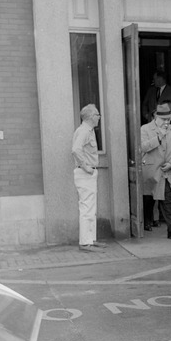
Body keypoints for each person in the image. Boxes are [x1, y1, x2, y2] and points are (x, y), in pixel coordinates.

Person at [140, 101, 171, 240]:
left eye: (168, 119)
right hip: (151, 171)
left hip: (167, 171)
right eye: (163, 119)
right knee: (148, 200)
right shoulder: (145, 129)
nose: (166, 121)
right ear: (155, 116)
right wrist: (158, 137)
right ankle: (147, 222)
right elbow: (142, 147)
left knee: (168, 201)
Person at [71, 104, 107, 252]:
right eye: (97, 114)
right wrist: (86, 167)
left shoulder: (87, 130)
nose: (99, 117)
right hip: (85, 173)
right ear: (91, 117)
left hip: (88, 174)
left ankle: (90, 239)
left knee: (90, 208)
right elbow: (75, 149)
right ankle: (85, 243)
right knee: (87, 208)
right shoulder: (84, 131)